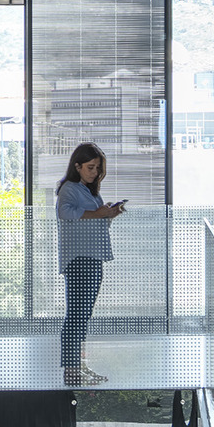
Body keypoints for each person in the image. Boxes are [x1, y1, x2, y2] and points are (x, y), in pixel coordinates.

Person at [55, 142, 126, 387]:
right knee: (76, 316)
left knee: (83, 316)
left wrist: (110, 215)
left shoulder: (90, 191)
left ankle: (78, 366)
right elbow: (66, 214)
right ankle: (72, 370)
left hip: (93, 257)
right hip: (79, 259)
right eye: (90, 167)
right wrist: (99, 214)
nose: (95, 172)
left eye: (97, 168)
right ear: (77, 166)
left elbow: (96, 223)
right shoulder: (70, 189)